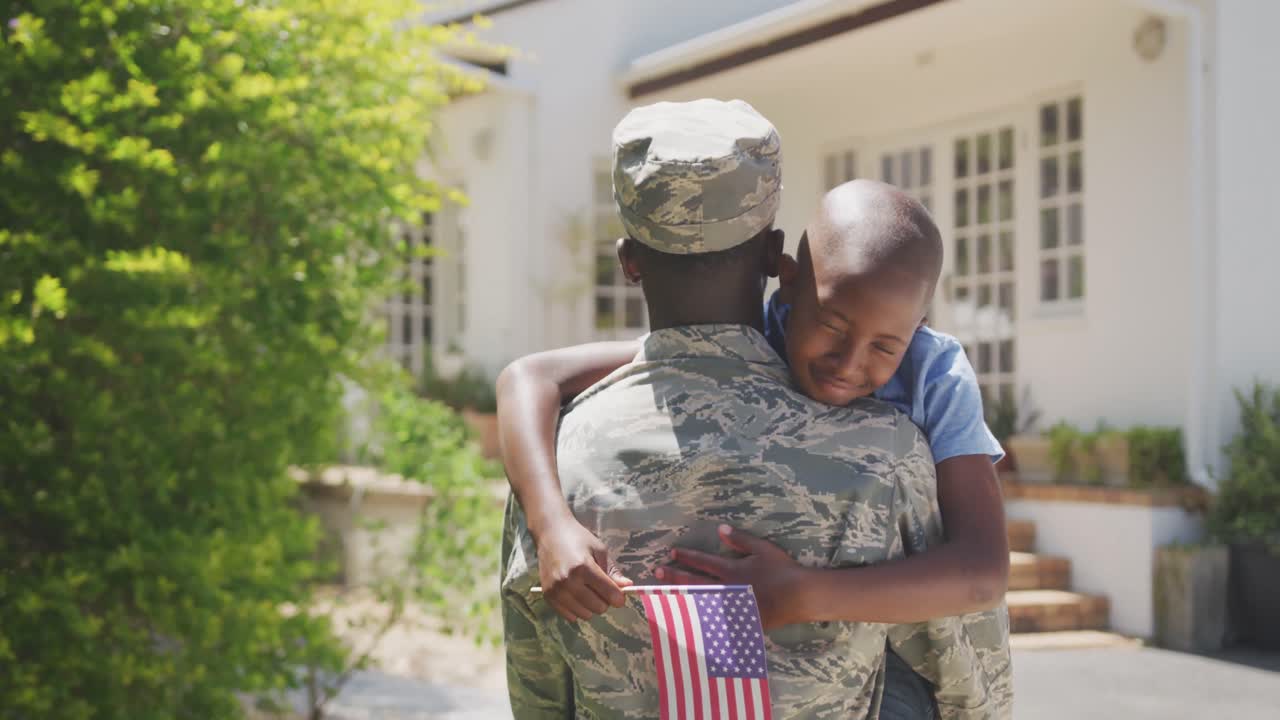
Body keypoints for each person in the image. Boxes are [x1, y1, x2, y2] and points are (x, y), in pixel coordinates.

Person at [500, 98, 1010, 720]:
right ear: (777, 263)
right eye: (837, 327)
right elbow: (966, 672)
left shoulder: (551, 460)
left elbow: (540, 685)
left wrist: (551, 523)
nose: (851, 364)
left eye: (884, 344)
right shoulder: (890, 455)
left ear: (629, 262)